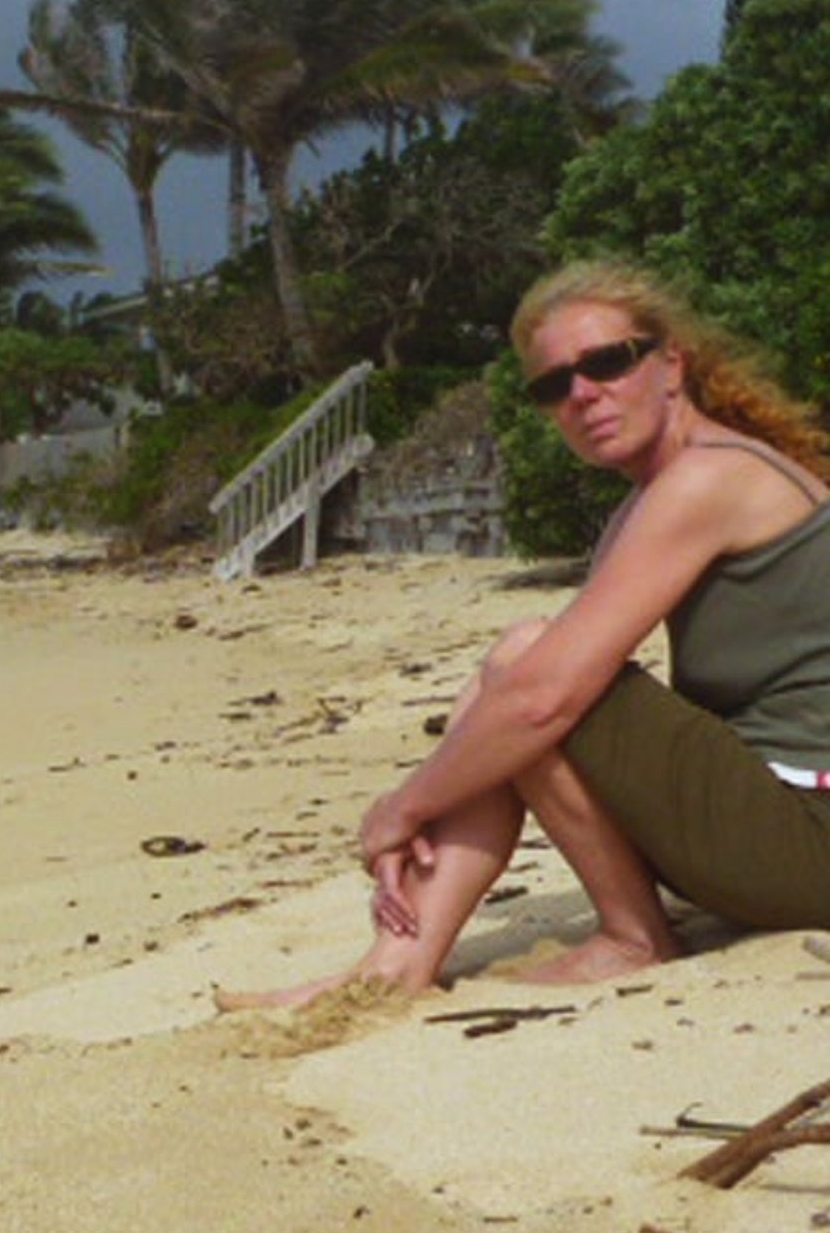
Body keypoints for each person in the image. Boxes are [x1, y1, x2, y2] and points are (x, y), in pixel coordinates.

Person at [219, 258, 830, 1010]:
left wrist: (402, 809)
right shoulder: (659, 498)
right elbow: (536, 703)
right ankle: (399, 962)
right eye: (554, 385)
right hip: (778, 829)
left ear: (670, 363)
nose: (582, 394)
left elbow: (544, 697)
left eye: (607, 363)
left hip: (810, 838)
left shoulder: (708, 481)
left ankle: (630, 939)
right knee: (512, 678)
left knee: (523, 669)